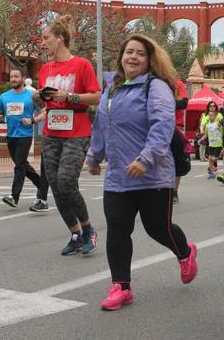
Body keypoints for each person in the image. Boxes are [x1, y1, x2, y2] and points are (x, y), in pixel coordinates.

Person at [87, 34, 198, 311]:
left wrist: (146, 159)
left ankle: (185, 253)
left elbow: (162, 124)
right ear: (121, 57)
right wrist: (94, 156)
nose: (133, 57)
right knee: (117, 229)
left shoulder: (155, 86)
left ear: (150, 60)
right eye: (128, 52)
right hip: (117, 175)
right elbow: (102, 125)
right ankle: (121, 287)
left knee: (158, 229)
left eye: (140, 53)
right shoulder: (112, 88)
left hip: (152, 174)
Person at [34, 14, 101, 255]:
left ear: (59, 39)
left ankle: (88, 229)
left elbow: (96, 96)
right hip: (51, 132)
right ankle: (74, 234)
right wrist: (39, 96)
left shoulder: (82, 65)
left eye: (46, 38)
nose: (42, 43)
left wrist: (70, 97)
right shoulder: (45, 68)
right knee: (54, 185)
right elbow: (44, 99)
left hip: (77, 132)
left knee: (66, 181)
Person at [0, 69, 47, 210]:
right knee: (22, 165)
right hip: (11, 136)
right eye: (11, 77)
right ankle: (42, 185)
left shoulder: (31, 96)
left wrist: (33, 120)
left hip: (25, 135)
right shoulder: (4, 97)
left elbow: (44, 112)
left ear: (23, 78)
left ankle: (14, 197)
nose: (13, 79)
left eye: (16, 76)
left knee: (19, 165)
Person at [172, 79, 189, 204]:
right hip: (156, 126)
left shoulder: (178, 84)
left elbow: (183, 103)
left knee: (177, 161)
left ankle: (174, 191)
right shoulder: (153, 81)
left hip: (176, 127)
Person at [200, 110, 222, 179]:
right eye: (209, 115)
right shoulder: (208, 125)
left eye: (211, 115)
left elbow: (223, 132)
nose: (210, 117)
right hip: (211, 144)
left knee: (213, 158)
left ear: (215, 116)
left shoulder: (218, 124)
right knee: (210, 158)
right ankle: (212, 173)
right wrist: (201, 139)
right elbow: (206, 134)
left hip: (218, 144)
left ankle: (220, 156)